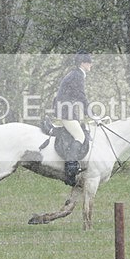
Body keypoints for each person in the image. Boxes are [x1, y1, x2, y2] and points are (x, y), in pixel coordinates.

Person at [52, 52, 92, 186]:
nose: (90, 64)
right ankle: (70, 170)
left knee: (81, 130)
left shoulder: (75, 74)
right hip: (65, 110)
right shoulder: (78, 75)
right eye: (88, 62)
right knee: (80, 136)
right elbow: (81, 96)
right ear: (83, 64)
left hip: (66, 108)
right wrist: (91, 114)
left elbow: (77, 97)